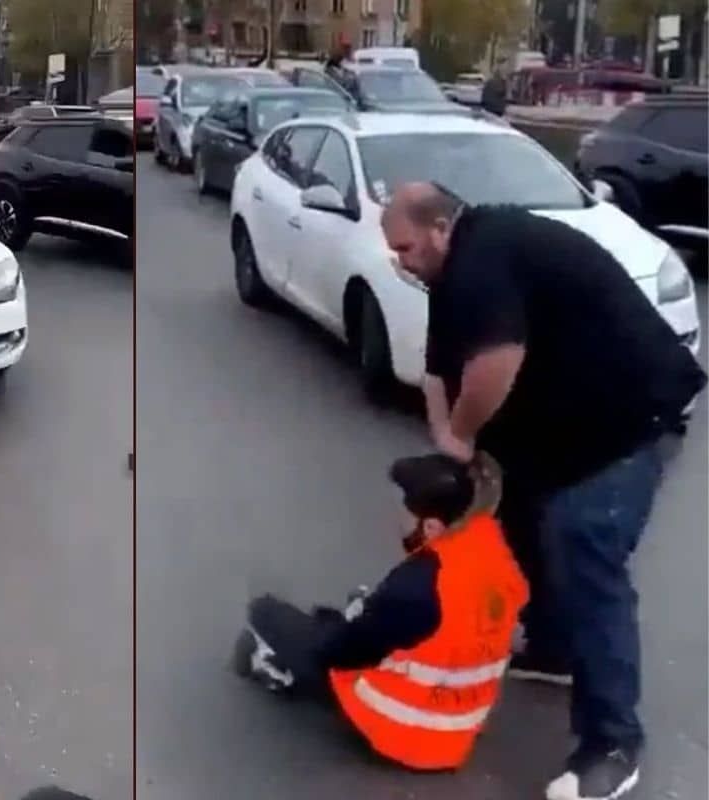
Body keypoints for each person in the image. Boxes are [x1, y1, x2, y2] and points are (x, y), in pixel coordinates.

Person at [381, 182, 707, 800]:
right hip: (562, 425)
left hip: (629, 419)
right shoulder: (449, 277)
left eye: (404, 247)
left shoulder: (486, 256)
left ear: (441, 227)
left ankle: (613, 743)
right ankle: (555, 647)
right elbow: (437, 368)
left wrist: (462, 434)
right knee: (520, 519)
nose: (400, 260)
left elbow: (496, 361)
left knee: (584, 548)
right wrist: (448, 447)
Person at [233, 453, 528, 772]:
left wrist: (332, 626)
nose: (396, 520)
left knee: (271, 615)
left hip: (404, 732)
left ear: (430, 526)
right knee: (366, 617)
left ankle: (273, 667)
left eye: (404, 514)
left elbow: (340, 651)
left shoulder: (418, 586)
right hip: (460, 726)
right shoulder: (492, 550)